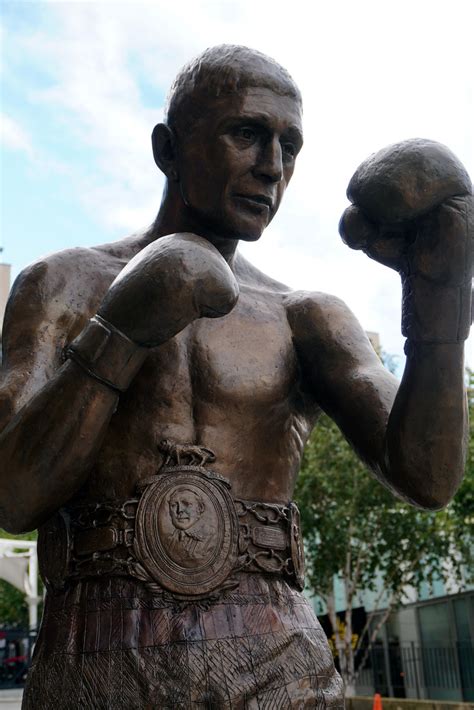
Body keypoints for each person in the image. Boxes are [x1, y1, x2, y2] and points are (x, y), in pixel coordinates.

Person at [0, 45, 471, 709]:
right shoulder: (65, 285)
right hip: (98, 662)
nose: (272, 167)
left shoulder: (305, 318)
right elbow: (11, 496)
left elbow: (429, 477)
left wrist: (440, 299)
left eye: (289, 144)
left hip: (282, 667)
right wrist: (116, 337)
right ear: (169, 149)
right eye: (246, 133)